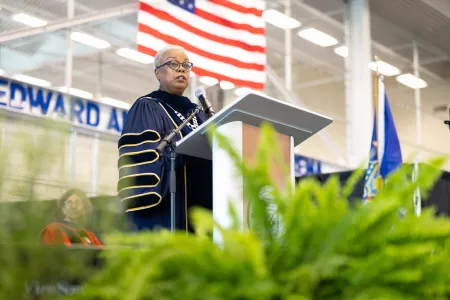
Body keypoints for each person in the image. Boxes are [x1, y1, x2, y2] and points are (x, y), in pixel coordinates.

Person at [118, 44, 212, 232]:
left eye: (186, 65)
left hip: (205, 211)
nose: (181, 69)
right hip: (169, 211)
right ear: (157, 73)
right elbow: (144, 162)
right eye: (172, 64)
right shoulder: (147, 107)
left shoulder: (199, 114)